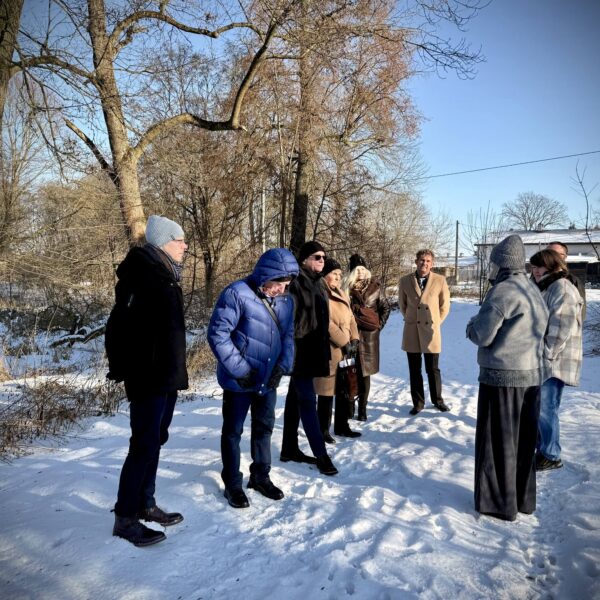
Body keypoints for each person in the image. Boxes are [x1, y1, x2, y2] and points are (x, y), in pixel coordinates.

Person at [105, 215, 188, 547]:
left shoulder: (165, 274)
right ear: (164, 242)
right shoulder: (142, 275)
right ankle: (125, 518)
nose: (185, 246)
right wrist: (123, 368)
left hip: (165, 377)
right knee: (142, 445)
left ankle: (145, 503)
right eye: (180, 240)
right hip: (148, 377)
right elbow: (118, 327)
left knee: (155, 440)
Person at [207, 248, 299, 508]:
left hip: (268, 380)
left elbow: (288, 336)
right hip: (239, 381)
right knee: (232, 432)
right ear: (266, 275)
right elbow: (218, 335)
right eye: (279, 283)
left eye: (287, 284)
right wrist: (240, 370)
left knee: (264, 428)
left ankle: (260, 476)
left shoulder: (286, 301)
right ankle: (232, 484)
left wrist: (283, 366)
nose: (282, 289)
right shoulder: (236, 294)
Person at [466, 234, 549, 521]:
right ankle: (522, 499)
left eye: (493, 264)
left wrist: (471, 324)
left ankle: (498, 503)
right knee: (523, 442)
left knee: (498, 442)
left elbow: (482, 334)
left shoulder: (502, 292)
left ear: (501, 265)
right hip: (531, 376)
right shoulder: (531, 288)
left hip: (502, 378)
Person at [280, 241, 339, 476]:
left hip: (314, 351)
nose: (322, 260)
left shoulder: (318, 283)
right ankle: (321, 455)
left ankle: (288, 447)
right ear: (304, 259)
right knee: (307, 401)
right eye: (317, 257)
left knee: (294, 398)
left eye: (323, 257)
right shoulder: (295, 282)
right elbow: (290, 320)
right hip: (300, 353)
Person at [530, 249, 583, 471]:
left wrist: (547, 355)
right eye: (533, 267)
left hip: (554, 359)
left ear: (552, 266)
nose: (535, 271)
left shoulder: (562, 288)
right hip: (546, 358)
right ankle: (542, 449)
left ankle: (551, 455)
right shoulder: (547, 286)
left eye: (540, 266)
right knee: (542, 407)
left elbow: (560, 328)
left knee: (546, 408)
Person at [398, 249, 450, 415]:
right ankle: (418, 403)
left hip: (431, 330)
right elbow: (402, 305)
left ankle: (438, 400)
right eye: (421, 260)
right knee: (414, 370)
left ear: (432, 264)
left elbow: (445, 306)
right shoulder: (405, 281)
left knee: (433, 369)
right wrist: (411, 318)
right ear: (416, 261)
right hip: (412, 330)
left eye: (428, 261)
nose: (424, 263)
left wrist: (435, 322)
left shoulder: (440, 280)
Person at [315, 258, 361, 442]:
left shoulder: (341, 292)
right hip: (329, 349)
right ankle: (323, 429)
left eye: (339, 274)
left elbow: (351, 319)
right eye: (334, 273)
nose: (338, 277)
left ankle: (342, 426)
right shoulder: (320, 293)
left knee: (344, 389)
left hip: (346, 350)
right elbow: (325, 323)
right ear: (324, 274)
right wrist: (344, 341)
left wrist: (355, 339)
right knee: (326, 391)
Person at [342, 253, 390, 421]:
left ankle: (362, 409)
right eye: (357, 269)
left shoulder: (375, 287)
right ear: (352, 272)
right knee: (350, 373)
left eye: (363, 269)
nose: (361, 272)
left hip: (369, 338)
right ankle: (349, 407)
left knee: (365, 374)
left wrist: (378, 327)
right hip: (351, 337)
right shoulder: (346, 288)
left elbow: (385, 308)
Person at [546, 241, 586, 321]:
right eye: (549, 253)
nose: (552, 256)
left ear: (564, 257)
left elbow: (580, 314)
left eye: (557, 254)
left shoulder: (573, 281)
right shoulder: (534, 278)